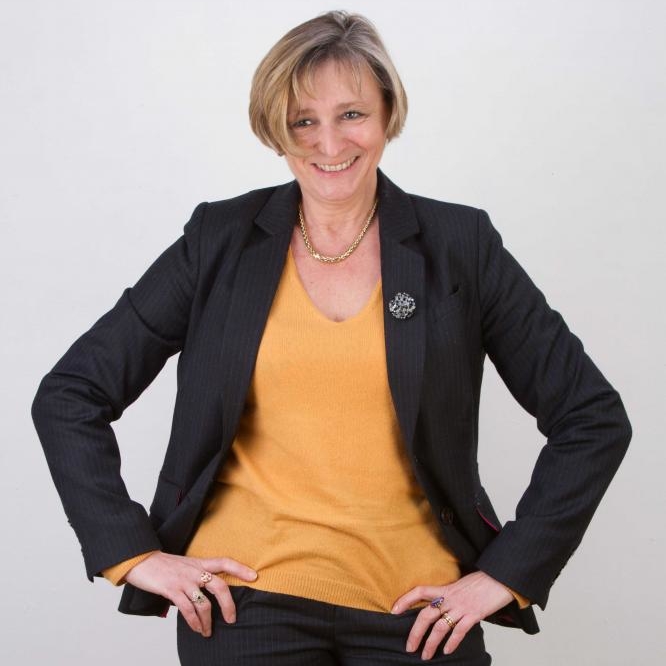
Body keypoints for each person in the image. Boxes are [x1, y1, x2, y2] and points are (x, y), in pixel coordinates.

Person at [31, 10, 631, 665]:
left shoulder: (462, 247)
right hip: (246, 604)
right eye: (303, 121)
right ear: (275, 130)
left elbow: (590, 416)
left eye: (351, 114)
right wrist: (130, 551)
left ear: (388, 113)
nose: (329, 142)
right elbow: (72, 393)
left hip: (420, 612)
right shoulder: (219, 241)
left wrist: (508, 572)